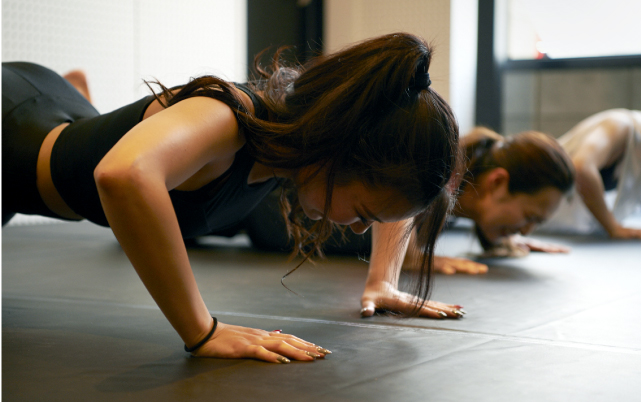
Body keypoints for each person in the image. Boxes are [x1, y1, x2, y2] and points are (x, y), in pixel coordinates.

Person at [2, 32, 462, 364]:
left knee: (81, 144)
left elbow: (395, 205)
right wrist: (203, 331)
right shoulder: (230, 117)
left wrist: (382, 279)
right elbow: (122, 174)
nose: (361, 228)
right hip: (10, 141)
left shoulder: (298, 141)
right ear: (340, 151)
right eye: (362, 214)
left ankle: (77, 96)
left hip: (49, 109)